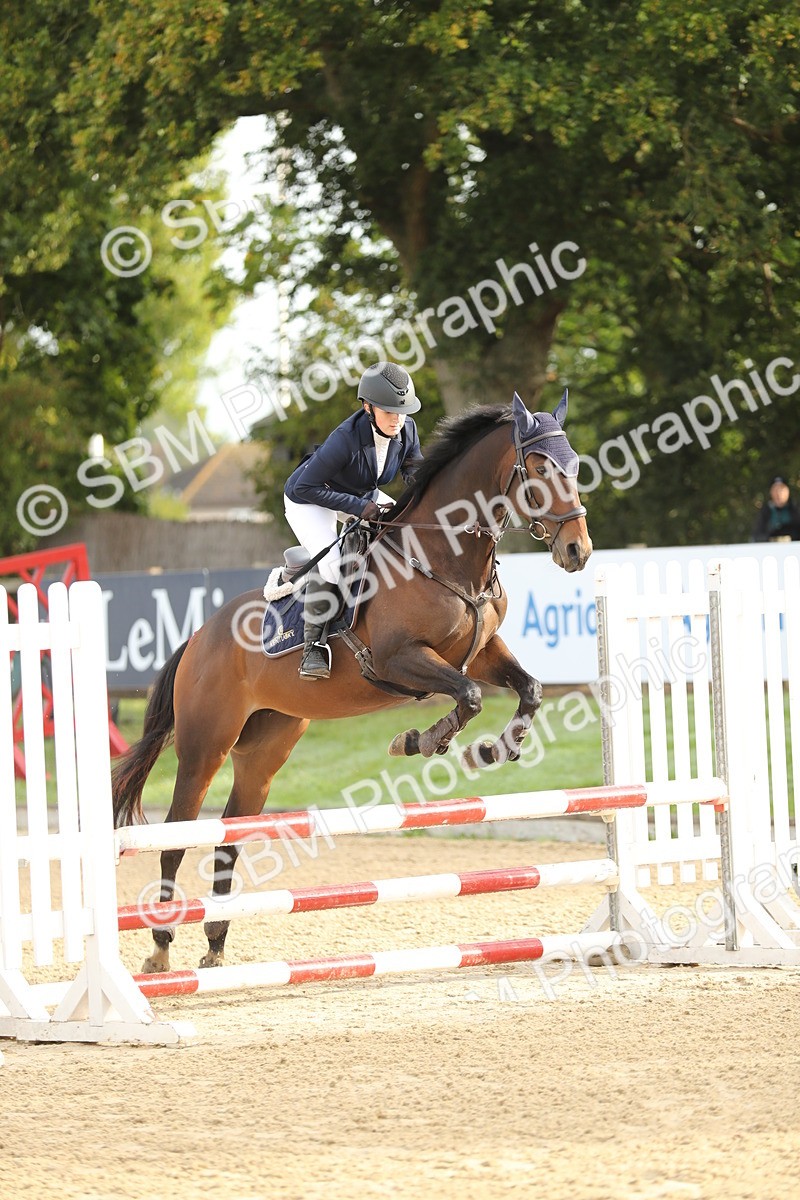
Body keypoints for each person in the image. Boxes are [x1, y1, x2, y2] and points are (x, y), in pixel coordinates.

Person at [284, 361, 423, 679]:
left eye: (401, 411)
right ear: (368, 407)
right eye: (388, 411)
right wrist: (358, 507)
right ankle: (313, 648)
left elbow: (414, 467)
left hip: (360, 494)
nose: (396, 419)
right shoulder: (345, 438)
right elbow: (307, 487)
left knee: (400, 532)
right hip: (308, 498)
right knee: (332, 564)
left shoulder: (407, 428)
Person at [752, 476, 800, 543]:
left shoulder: (795, 509)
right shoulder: (765, 511)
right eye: (775, 490)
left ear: (788, 491)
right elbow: (757, 535)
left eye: (781, 490)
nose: (778, 493)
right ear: (771, 492)